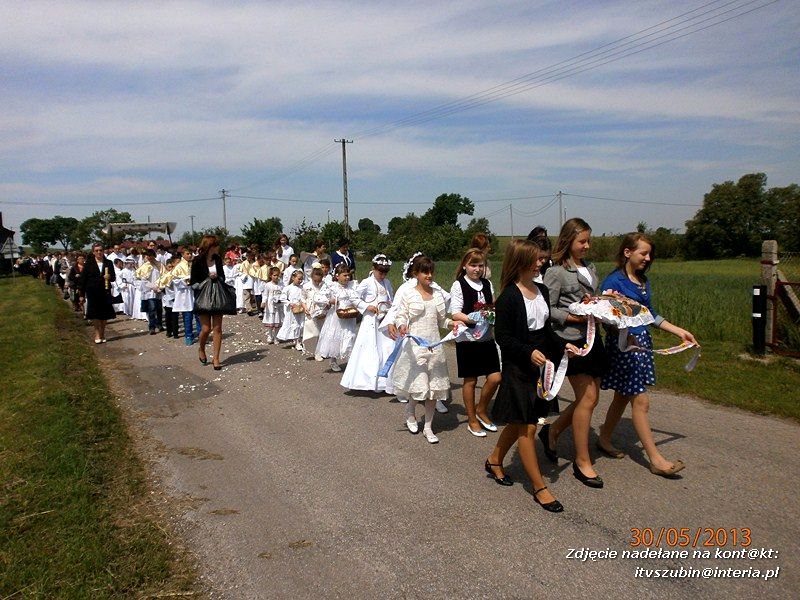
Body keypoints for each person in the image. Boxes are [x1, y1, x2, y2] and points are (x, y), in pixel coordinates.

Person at [486, 239, 578, 513]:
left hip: (541, 364)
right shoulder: (508, 297)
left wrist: (563, 345)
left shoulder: (542, 290)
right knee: (527, 425)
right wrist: (528, 352)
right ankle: (539, 487)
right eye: (537, 259)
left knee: (519, 422)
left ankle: (494, 460)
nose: (542, 263)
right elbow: (502, 337)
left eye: (542, 259)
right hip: (518, 366)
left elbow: (546, 330)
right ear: (522, 262)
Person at [597, 233, 697, 477]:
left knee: (622, 396)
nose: (647, 258)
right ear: (627, 252)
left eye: (649, 254)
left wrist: (679, 332)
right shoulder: (614, 282)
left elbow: (650, 315)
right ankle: (656, 460)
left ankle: (604, 439)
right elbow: (606, 318)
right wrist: (624, 333)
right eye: (643, 253)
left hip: (641, 344)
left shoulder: (642, 281)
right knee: (640, 401)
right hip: (625, 347)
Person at [541, 218, 608, 489]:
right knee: (587, 397)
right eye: (582, 241)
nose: (587, 246)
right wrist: (573, 317)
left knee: (592, 398)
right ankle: (583, 462)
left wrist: (605, 306)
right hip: (569, 342)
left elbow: (595, 299)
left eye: (588, 241)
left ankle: (553, 431)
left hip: (594, 340)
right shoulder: (556, 272)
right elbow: (547, 308)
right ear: (569, 241)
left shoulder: (590, 268)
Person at [391, 257, 453, 444]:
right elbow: (401, 315)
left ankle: (428, 427)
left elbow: (442, 321)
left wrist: (453, 323)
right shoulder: (409, 294)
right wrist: (402, 325)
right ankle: (410, 412)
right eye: (425, 272)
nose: (429, 275)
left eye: (431, 271)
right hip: (416, 346)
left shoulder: (437, 295)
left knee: (433, 389)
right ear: (415, 274)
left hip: (434, 346)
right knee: (418, 385)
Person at [449, 248, 501, 437]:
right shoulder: (459, 285)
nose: (477, 269)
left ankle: (481, 409)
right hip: (467, 339)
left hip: (486, 337)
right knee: (470, 380)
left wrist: (492, 314)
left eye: (480, 265)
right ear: (464, 266)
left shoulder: (487, 284)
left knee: (496, 377)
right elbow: (455, 313)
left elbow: (492, 305)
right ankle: (472, 419)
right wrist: (477, 317)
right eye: (473, 265)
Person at [340, 254, 395, 393]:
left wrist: (390, 308)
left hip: (384, 320)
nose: (382, 275)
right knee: (369, 349)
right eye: (380, 272)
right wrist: (366, 306)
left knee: (385, 349)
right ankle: (366, 381)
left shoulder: (387, 283)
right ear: (373, 268)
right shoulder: (366, 282)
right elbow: (353, 296)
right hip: (370, 320)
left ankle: (382, 382)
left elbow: (391, 298)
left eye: (385, 273)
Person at [190, 235, 227, 370]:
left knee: (217, 328)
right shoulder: (197, 261)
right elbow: (192, 282)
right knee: (206, 329)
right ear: (210, 246)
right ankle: (201, 348)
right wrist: (206, 280)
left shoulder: (217, 259)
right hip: (203, 297)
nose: (218, 248)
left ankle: (216, 358)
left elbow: (223, 276)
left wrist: (217, 277)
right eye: (216, 245)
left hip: (217, 297)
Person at [316, 264, 359, 372]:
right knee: (336, 337)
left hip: (350, 315)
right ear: (337, 276)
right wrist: (330, 301)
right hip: (337, 316)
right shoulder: (332, 286)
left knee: (350, 336)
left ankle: (350, 360)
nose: (347, 278)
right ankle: (333, 360)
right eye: (344, 275)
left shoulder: (353, 285)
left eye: (348, 275)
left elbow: (358, 297)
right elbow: (318, 297)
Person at [81, 243, 117, 343]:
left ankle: (102, 332)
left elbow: (113, 277)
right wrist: (81, 294)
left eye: (100, 250)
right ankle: (97, 333)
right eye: (96, 250)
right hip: (92, 291)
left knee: (104, 314)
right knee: (95, 314)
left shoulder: (108, 263)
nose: (99, 252)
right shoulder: (88, 264)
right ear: (93, 252)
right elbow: (83, 279)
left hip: (105, 291)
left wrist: (109, 277)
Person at [301, 263, 331, 357]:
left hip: (323, 311)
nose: (317, 283)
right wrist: (305, 308)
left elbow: (329, 297)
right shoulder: (306, 286)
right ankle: (315, 351)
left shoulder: (325, 285)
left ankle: (321, 351)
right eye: (315, 281)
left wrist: (327, 305)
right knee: (313, 332)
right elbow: (303, 298)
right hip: (311, 310)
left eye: (319, 281)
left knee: (322, 332)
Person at [172, 248, 201, 345]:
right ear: (183, 254)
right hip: (185, 294)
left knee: (198, 315)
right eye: (187, 253)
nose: (189, 255)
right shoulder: (179, 266)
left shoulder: (194, 264)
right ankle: (188, 336)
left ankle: (201, 334)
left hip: (195, 292)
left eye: (190, 253)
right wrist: (186, 280)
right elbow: (175, 280)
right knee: (188, 316)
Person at [276, 269, 305, 350]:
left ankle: (300, 339)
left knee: (301, 324)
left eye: (301, 279)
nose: (300, 281)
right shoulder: (288, 288)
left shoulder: (303, 287)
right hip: (293, 309)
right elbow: (282, 298)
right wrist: (290, 303)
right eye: (298, 279)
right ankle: (297, 342)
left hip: (301, 308)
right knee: (294, 325)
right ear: (293, 278)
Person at [136, 249, 163, 334]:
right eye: (148, 256)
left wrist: (160, 287)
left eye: (151, 256)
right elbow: (143, 280)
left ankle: (160, 324)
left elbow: (164, 276)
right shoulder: (145, 267)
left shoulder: (159, 265)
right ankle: (152, 327)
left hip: (159, 290)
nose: (150, 258)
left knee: (159, 309)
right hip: (150, 291)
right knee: (152, 309)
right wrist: (152, 287)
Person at [261, 267, 284, 344]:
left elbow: (283, 293)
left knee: (277, 321)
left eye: (277, 275)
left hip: (278, 305)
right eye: (274, 275)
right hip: (270, 305)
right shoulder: (268, 285)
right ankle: (270, 336)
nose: (276, 277)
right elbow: (265, 295)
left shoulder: (281, 284)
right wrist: (263, 302)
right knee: (271, 322)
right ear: (270, 276)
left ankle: (276, 337)